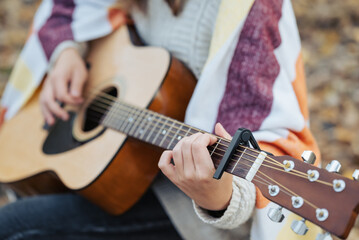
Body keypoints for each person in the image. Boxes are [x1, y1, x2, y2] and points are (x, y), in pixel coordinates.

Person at [0, 0, 323, 239]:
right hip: (116, 165)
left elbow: (264, 139)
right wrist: (67, 50)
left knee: (13, 226)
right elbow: (70, 8)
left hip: (185, 208)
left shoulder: (250, 10)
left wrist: (217, 198)